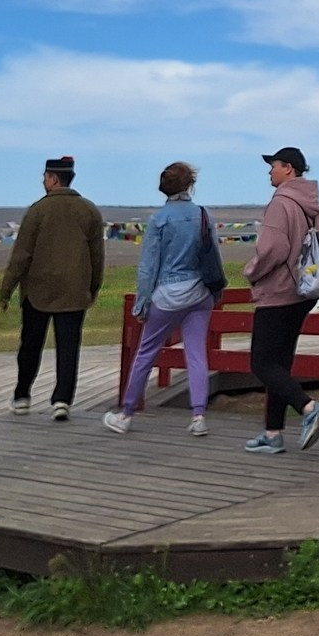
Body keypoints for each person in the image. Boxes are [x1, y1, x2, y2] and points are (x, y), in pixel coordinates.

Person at [104, 162, 219, 437]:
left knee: (145, 353)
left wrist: (142, 303)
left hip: (167, 293)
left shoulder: (159, 220)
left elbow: (148, 267)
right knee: (196, 353)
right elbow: (214, 255)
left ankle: (127, 413)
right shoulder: (203, 215)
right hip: (199, 292)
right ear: (190, 184)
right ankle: (199, 415)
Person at [0, 153, 106, 420]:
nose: (43, 181)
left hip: (38, 291)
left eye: (46, 177)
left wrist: (6, 289)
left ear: (53, 178)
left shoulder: (37, 210)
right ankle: (62, 401)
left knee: (30, 345)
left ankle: (22, 395)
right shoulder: (89, 210)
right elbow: (97, 256)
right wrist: (93, 287)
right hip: (74, 291)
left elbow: (21, 254)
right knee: (69, 347)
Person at [240, 146, 319, 455]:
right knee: (280, 363)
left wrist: (251, 272)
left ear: (288, 169)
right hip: (304, 290)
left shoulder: (280, 203)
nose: (270, 171)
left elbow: (272, 250)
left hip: (278, 291)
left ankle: (309, 408)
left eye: (274, 166)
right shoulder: (313, 205)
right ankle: (273, 432)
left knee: (262, 363)